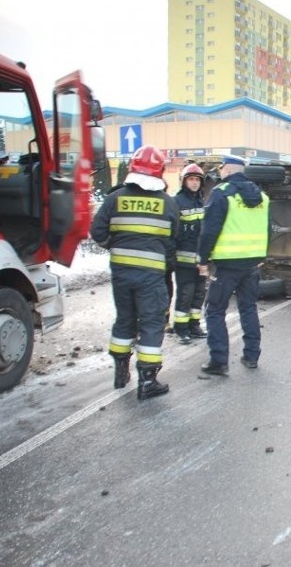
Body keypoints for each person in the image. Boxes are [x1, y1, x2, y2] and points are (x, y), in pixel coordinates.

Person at [90, 145, 179, 400]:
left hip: (121, 274)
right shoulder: (167, 203)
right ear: (160, 172)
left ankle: (121, 371)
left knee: (125, 319)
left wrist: (116, 246)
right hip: (151, 276)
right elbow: (173, 239)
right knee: (151, 322)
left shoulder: (114, 198)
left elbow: (98, 232)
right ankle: (148, 381)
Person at [197, 155, 270, 375]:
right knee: (248, 307)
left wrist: (203, 260)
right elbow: (267, 228)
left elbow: (209, 230)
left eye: (221, 169)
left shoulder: (222, 193)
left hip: (227, 263)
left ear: (227, 170)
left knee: (215, 310)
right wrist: (262, 254)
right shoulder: (262, 197)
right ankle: (251, 356)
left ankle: (218, 361)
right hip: (252, 262)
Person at [172, 163, 209, 345]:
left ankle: (194, 325)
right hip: (183, 259)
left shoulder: (201, 201)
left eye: (197, 180)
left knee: (200, 293)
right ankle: (181, 328)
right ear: (184, 181)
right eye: (191, 179)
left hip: (200, 259)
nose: (194, 183)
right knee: (186, 293)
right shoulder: (176, 202)